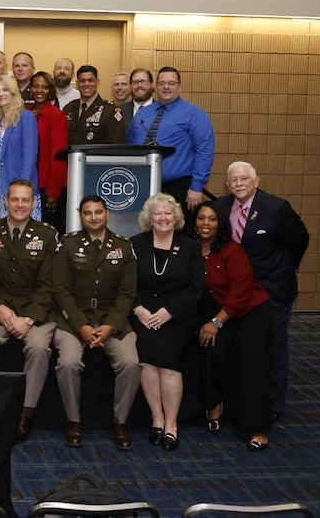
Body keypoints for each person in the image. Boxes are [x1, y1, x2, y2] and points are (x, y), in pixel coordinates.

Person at [214, 161, 309, 422]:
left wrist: (286, 268)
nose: (239, 183)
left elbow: (300, 240)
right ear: (227, 183)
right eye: (233, 180)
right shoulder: (221, 207)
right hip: (235, 292)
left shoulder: (277, 208)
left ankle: (273, 404)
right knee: (241, 347)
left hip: (272, 289)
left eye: (244, 178)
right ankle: (236, 401)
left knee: (274, 347)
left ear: (256, 181)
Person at [51, 195, 139, 450]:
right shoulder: (67, 245)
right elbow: (60, 290)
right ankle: (73, 420)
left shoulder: (123, 246)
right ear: (81, 216)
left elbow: (127, 293)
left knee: (131, 364)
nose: (93, 217)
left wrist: (111, 325)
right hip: (74, 319)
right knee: (67, 363)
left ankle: (120, 421)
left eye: (98, 212)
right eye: (87, 213)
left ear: (107, 214)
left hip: (113, 319)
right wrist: (80, 325)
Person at [0, 179, 57, 443]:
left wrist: (29, 318)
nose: (20, 205)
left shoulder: (47, 235)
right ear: (5, 201)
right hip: (0, 306)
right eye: (15, 199)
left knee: (38, 349)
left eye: (25, 200)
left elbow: (49, 285)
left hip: (36, 308)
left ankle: (26, 413)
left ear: (33, 203)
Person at [193, 201, 273, 451]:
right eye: (202, 218)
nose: (206, 223)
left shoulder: (231, 250)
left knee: (250, 356)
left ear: (221, 224)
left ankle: (257, 425)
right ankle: (214, 403)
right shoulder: (188, 249)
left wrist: (216, 322)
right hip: (220, 311)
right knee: (209, 348)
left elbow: (240, 293)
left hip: (250, 310)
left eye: (212, 219)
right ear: (194, 222)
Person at [129, 192, 204, 451]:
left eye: (168, 213)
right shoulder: (136, 244)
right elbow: (126, 284)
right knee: (147, 364)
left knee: (170, 366)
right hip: (144, 315)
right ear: (150, 218)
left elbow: (197, 288)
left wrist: (169, 311)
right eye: (158, 213)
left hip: (177, 316)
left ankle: (171, 424)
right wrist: (138, 308)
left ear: (176, 218)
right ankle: (156, 419)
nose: (163, 218)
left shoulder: (190, 246)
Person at [126, 67, 214, 226]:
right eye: (162, 83)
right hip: (141, 186)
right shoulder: (142, 114)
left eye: (171, 83)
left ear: (179, 87)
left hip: (178, 188)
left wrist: (197, 186)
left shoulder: (194, 114)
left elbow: (204, 151)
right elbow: (130, 145)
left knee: (177, 233)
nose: (166, 87)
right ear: (156, 87)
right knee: (142, 230)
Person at [0, 76, 41, 221]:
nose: (1, 94)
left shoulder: (25, 117)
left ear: (13, 93)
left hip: (22, 188)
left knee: (26, 236)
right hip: (2, 187)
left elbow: (29, 157)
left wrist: (22, 190)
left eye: (5, 89)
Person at [29, 71, 68, 233]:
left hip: (49, 187)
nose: (39, 90)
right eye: (36, 86)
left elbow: (58, 156)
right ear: (30, 88)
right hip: (31, 183)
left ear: (50, 90)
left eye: (44, 87)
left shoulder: (56, 115)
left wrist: (53, 192)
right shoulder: (25, 113)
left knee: (49, 234)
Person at [62, 65, 127, 145]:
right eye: (82, 81)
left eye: (90, 80)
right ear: (77, 83)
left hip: (98, 157)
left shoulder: (110, 111)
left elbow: (116, 147)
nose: (86, 84)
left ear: (97, 82)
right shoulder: (68, 108)